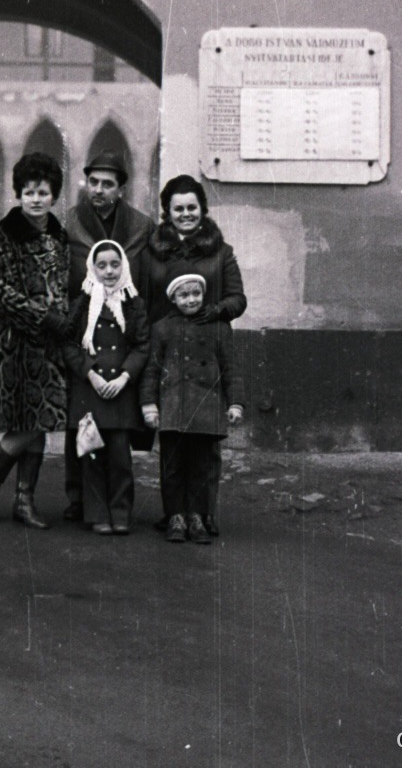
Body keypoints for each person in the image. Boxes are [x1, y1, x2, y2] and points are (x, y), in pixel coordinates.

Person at [141, 174, 247, 534]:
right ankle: (174, 512)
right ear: (167, 213)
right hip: (168, 347)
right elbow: (144, 299)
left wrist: (214, 312)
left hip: (208, 346)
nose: (186, 214)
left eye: (192, 207)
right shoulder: (152, 252)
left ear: (202, 209)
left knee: (205, 450)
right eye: (178, 209)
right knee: (171, 448)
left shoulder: (221, 251)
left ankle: (204, 513)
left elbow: (238, 298)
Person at [0, 151, 70, 529]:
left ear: (54, 196)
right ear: (18, 194)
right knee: (24, 424)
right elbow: (0, 291)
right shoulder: (3, 239)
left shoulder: (59, 238)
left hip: (50, 346)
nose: (35, 199)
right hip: (15, 344)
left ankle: (24, 501)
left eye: (43, 192)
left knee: (42, 420)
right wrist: (45, 317)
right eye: (28, 192)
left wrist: (64, 320)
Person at [61, 148, 152, 521]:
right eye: (93, 182)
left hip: (124, 327)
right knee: (79, 423)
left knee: (116, 433)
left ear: (121, 190)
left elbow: (148, 275)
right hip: (83, 327)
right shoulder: (69, 224)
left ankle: (114, 506)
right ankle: (78, 499)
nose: (98, 190)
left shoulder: (141, 227)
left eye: (107, 184)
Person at [140, 272, 244, 543]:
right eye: (184, 295)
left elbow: (230, 367)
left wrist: (235, 403)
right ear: (173, 298)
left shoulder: (219, 327)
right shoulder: (162, 328)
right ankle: (175, 516)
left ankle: (198, 516)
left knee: (201, 465)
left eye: (196, 293)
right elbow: (151, 370)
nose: (191, 300)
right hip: (173, 407)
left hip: (206, 407)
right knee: (172, 466)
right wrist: (149, 404)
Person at [63, 240, 150, 536]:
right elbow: (70, 346)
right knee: (92, 457)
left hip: (120, 391)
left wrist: (124, 377)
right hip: (91, 391)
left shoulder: (134, 303)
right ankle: (97, 513)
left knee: (120, 458)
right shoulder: (83, 303)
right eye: (102, 265)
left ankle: (121, 512)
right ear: (92, 268)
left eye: (115, 264)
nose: (109, 271)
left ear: (123, 266)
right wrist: (92, 375)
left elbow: (141, 346)